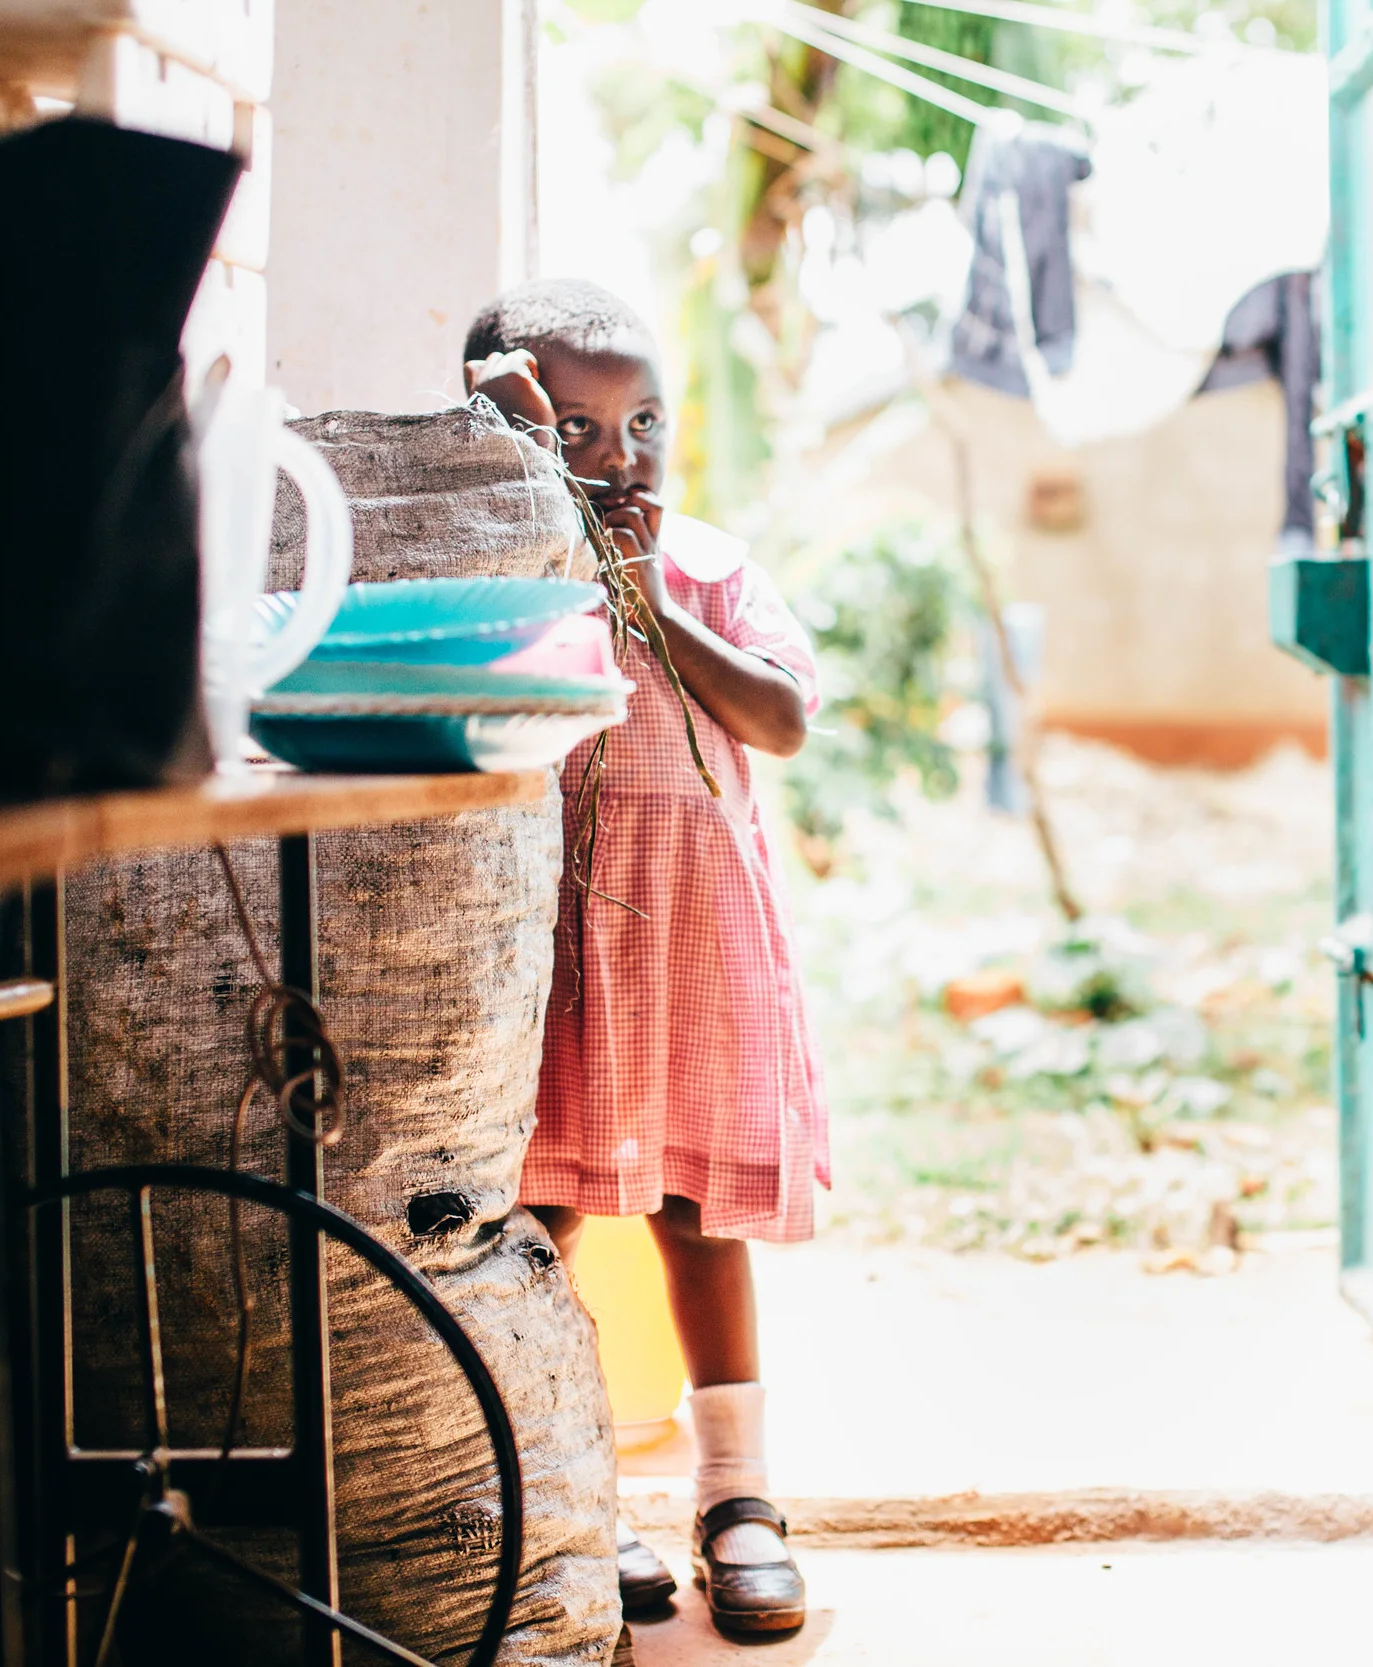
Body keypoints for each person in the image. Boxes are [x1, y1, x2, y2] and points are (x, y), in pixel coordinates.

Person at [462, 279, 827, 1639]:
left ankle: (739, 1500)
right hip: (551, 945)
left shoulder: (712, 570)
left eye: (646, 424)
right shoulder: (500, 574)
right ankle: (577, 1491)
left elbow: (782, 718)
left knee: (697, 1212)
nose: (622, 459)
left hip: (696, 940)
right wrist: (538, 516)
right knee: (538, 1226)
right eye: (577, 431)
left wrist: (653, 601)